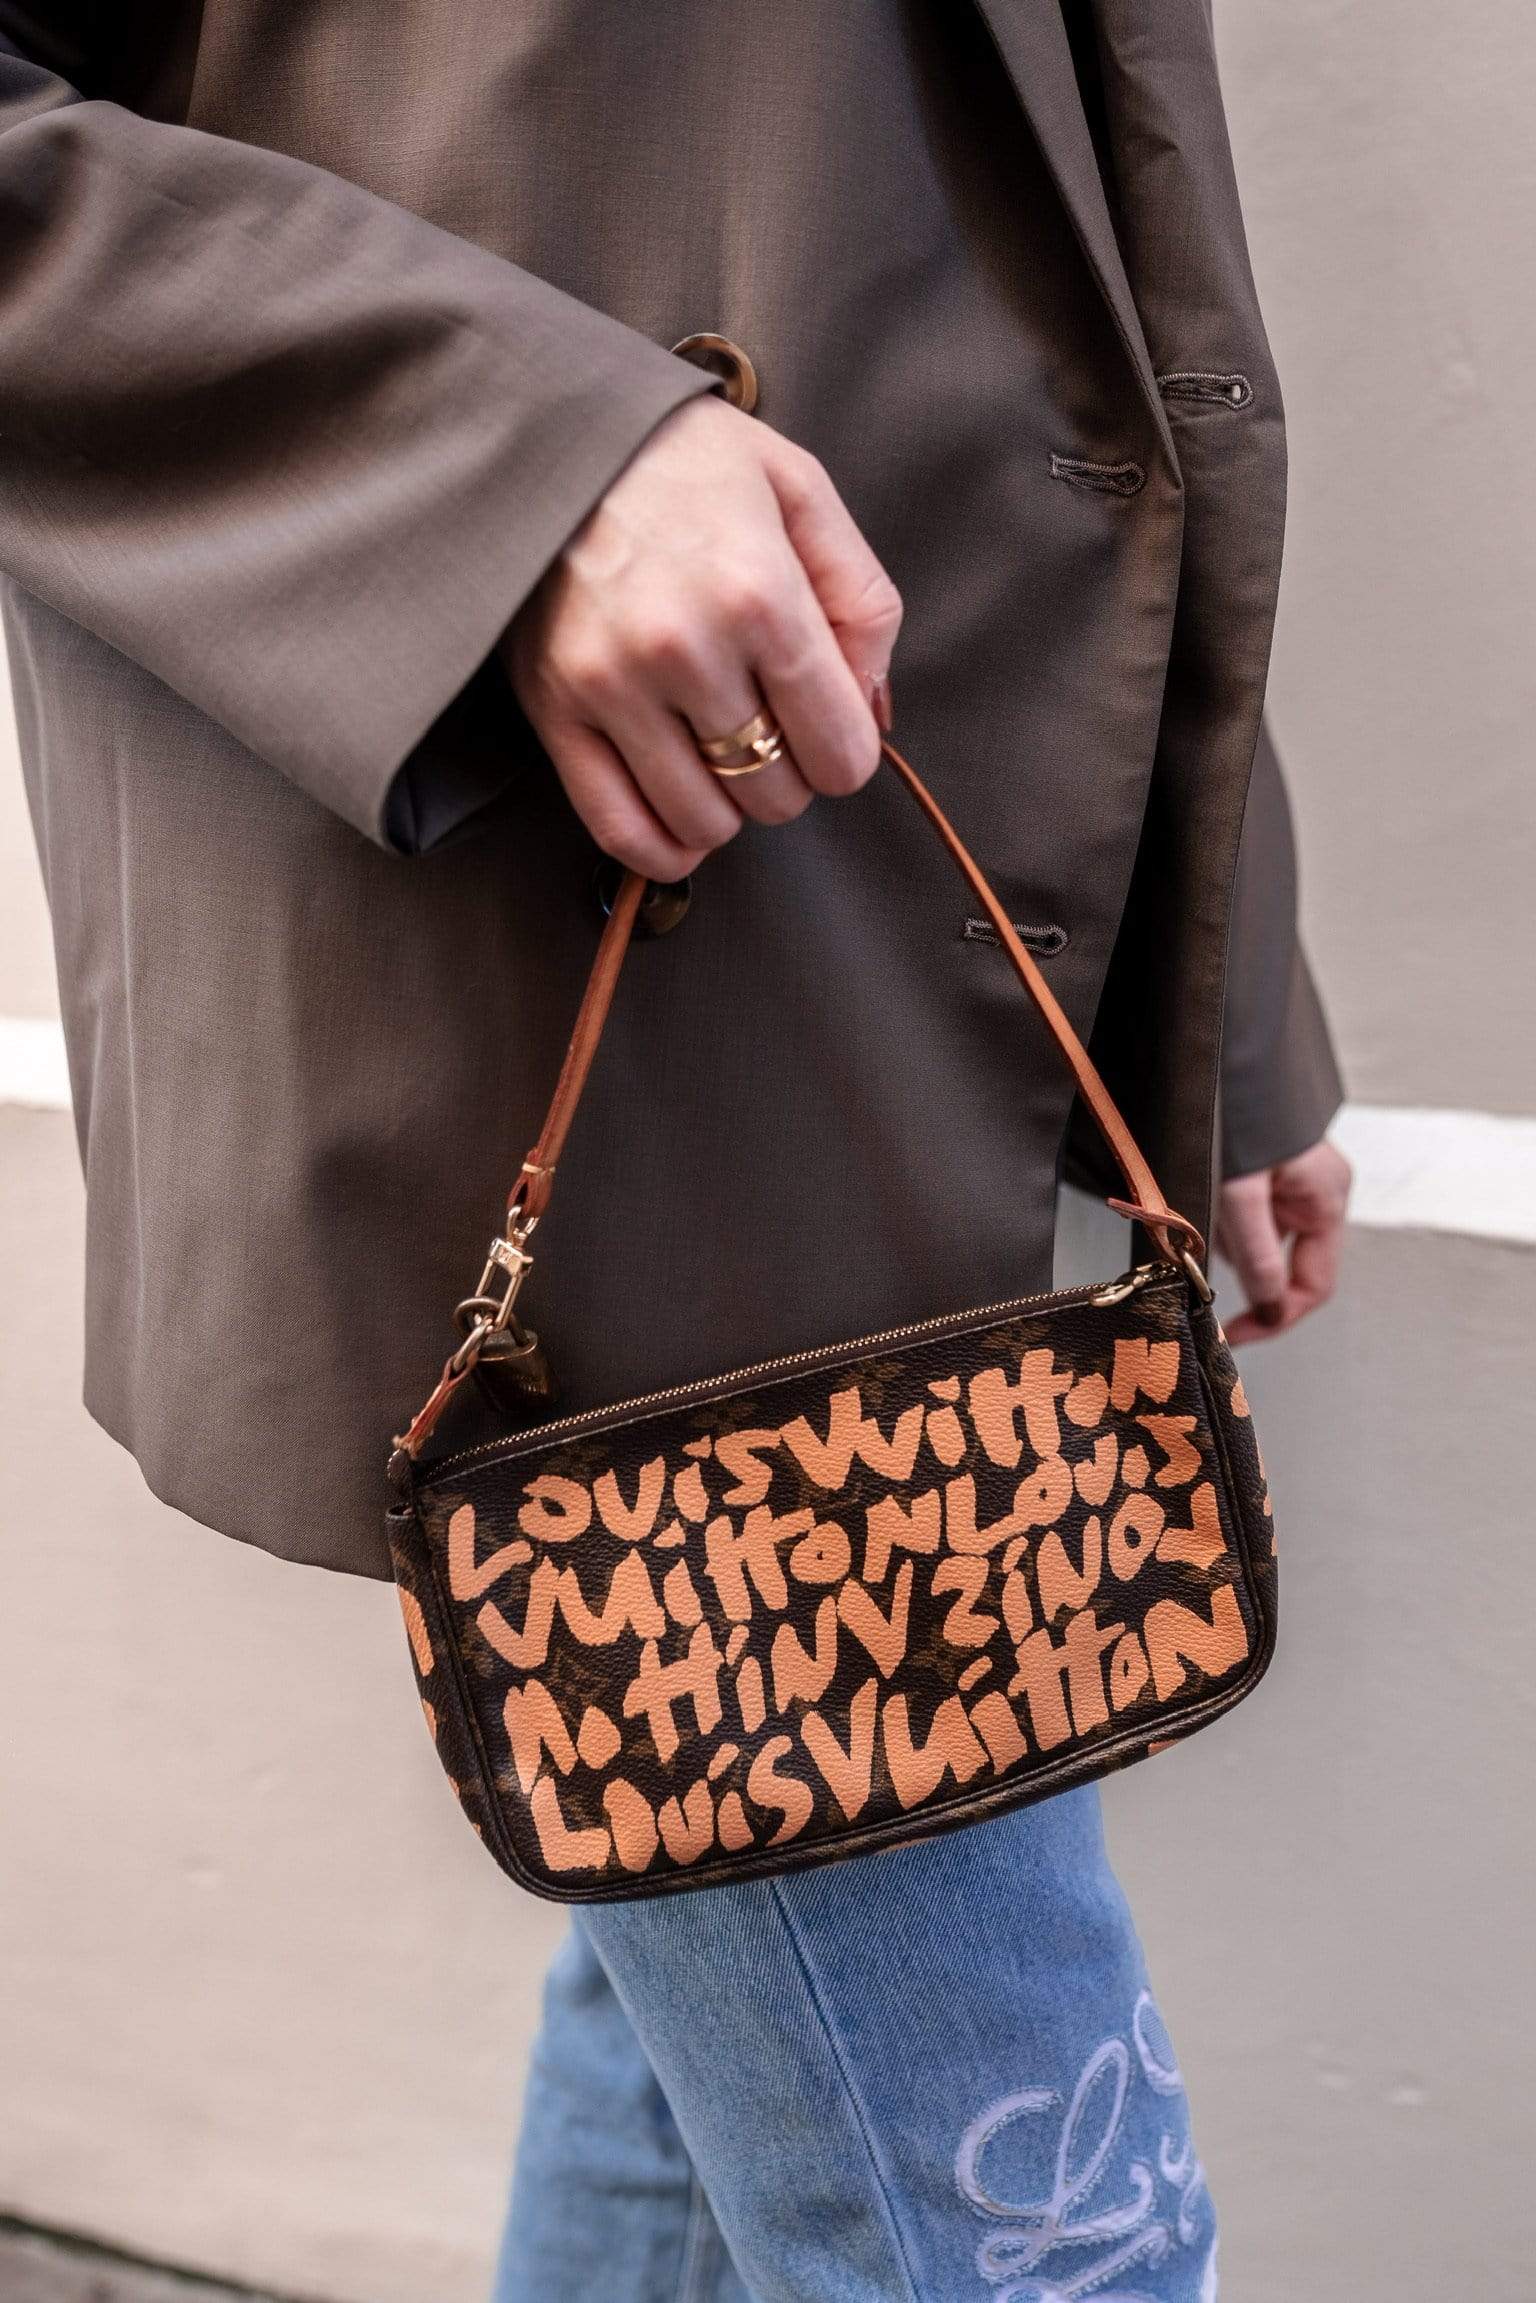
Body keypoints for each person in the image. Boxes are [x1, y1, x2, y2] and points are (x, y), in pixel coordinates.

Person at [0, 5, 1349, 2296]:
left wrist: (1216, 1003)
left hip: (946, 943)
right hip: (532, 926)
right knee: (1044, 2236)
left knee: (696, 2038)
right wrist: (515, 467)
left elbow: (1104, 249)